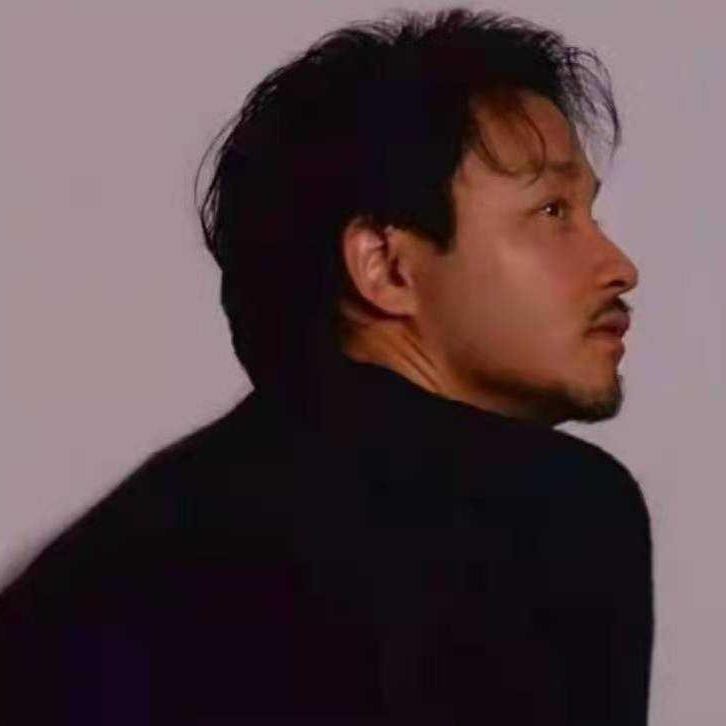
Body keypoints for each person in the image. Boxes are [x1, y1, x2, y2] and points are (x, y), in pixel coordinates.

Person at [0, 6, 653, 724]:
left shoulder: (97, 559)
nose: (618, 267)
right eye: (553, 212)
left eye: (590, 215)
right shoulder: (553, 510)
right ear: (385, 266)